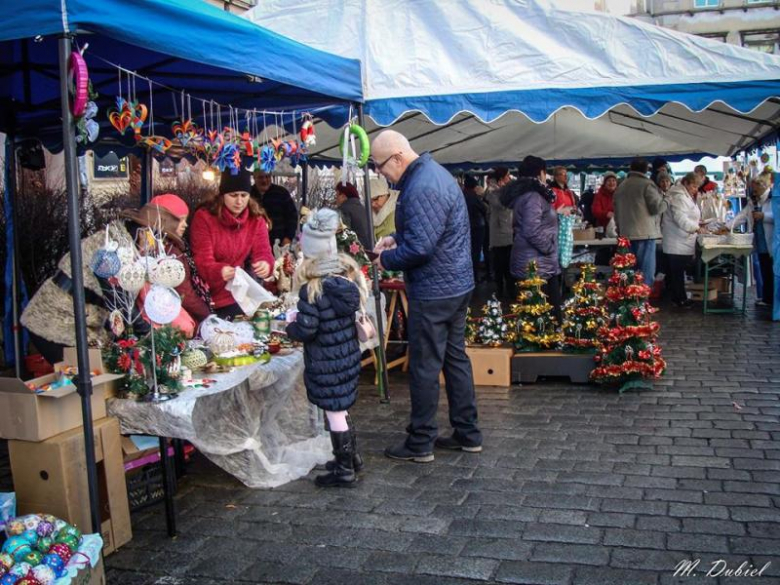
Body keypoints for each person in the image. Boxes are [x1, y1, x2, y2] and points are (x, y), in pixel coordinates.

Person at [371, 129, 481, 462]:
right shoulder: (434, 175)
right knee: (454, 359)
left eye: (379, 166)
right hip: (456, 285)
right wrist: (394, 236)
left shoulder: (420, 186)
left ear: (397, 158)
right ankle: (468, 433)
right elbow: (428, 229)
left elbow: (420, 247)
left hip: (435, 290)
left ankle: (420, 442)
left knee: (424, 366)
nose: (379, 174)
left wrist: (384, 259)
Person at [286, 208, 363, 487]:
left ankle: (344, 471)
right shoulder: (345, 282)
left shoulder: (313, 290)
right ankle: (351, 458)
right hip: (346, 359)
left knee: (334, 412)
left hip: (326, 363)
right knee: (341, 410)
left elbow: (307, 329)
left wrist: (290, 325)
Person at [190, 168, 274, 320]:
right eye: (233, 195)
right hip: (205, 295)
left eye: (244, 195)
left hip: (237, 293)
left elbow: (264, 252)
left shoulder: (256, 219)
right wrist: (218, 271)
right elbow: (202, 259)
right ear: (222, 195)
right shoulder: (204, 217)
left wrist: (265, 264)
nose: (239, 201)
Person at [123, 195, 212, 333]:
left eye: (185, 219)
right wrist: (207, 315)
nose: (185, 225)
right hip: (167, 325)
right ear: (165, 221)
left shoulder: (166, 247)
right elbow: (184, 292)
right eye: (180, 220)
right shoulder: (167, 252)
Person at [500, 155, 562, 316]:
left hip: (538, 263)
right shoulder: (533, 197)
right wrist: (549, 247)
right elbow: (531, 229)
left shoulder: (529, 195)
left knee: (538, 317)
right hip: (536, 265)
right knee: (543, 318)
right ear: (541, 173)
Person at [613, 158, 667, 283]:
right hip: (644, 234)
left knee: (627, 274)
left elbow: (616, 213)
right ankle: (642, 301)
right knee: (645, 275)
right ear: (646, 169)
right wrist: (667, 200)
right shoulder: (647, 184)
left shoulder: (621, 186)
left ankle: (629, 301)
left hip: (625, 235)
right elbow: (657, 208)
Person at [730, 175, 774, 308]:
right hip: (760, 241)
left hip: (772, 241)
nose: (753, 192)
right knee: (764, 269)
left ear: (763, 186)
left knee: (773, 271)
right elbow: (742, 216)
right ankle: (767, 298)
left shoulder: (774, 198)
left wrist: (764, 216)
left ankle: (773, 300)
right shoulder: (754, 201)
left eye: (755, 189)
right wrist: (728, 226)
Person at [662, 173, 704, 308]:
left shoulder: (684, 195)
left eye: (697, 186)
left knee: (678, 272)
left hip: (682, 239)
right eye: (694, 186)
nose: (695, 189)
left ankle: (679, 298)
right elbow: (680, 218)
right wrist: (696, 227)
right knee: (677, 273)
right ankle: (679, 299)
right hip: (677, 240)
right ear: (685, 183)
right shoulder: (678, 197)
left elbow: (688, 215)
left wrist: (697, 223)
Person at [485, 167, 514, 297]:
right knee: (499, 263)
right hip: (498, 234)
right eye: (508, 175)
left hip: (509, 230)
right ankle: (500, 289)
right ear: (502, 177)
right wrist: (505, 190)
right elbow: (501, 205)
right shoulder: (492, 190)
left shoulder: (505, 189)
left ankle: (510, 288)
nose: (510, 178)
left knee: (509, 263)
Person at [250, 170, 298, 248]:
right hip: (253, 243)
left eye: (267, 177)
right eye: (260, 177)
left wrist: (288, 237)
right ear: (254, 177)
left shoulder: (282, 193)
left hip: (279, 243)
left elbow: (292, 216)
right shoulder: (248, 194)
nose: (264, 180)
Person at [463, 174, 488, 282]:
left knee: (467, 251)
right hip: (478, 227)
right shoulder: (474, 196)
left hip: (465, 227)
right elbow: (484, 209)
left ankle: (467, 275)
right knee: (476, 252)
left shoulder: (462, 195)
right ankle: (474, 276)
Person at [335, 181, 372, 249]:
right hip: (368, 248)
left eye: (337, 195)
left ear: (343, 196)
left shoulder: (344, 210)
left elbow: (343, 235)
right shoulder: (363, 208)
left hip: (355, 251)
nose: (335, 199)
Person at [370, 176, 399, 241]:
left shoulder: (399, 208)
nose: (373, 204)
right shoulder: (368, 213)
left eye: (375, 199)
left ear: (385, 194)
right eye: (370, 202)